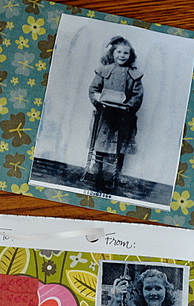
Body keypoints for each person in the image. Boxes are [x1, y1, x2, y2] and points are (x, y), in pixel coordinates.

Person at [84, 36, 144, 194]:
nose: (122, 55)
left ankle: (116, 172)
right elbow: (93, 89)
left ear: (130, 55)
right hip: (105, 113)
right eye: (119, 52)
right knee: (101, 139)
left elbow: (137, 95)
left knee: (120, 143)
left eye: (126, 53)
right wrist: (98, 101)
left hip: (124, 115)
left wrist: (129, 106)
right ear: (112, 53)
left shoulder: (133, 75)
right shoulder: (104, 70)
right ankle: (96, 166)